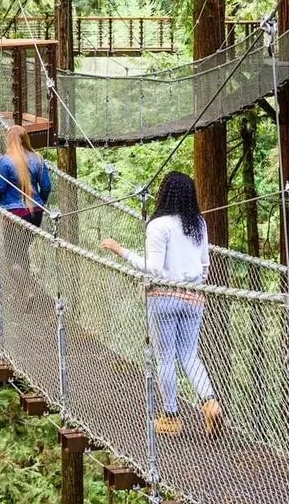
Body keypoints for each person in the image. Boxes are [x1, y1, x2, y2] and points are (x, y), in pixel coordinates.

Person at [100, 170, 223, 438]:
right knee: (189, 355)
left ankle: (171, 417)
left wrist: (122, 252)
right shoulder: (199, 224)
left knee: (166, 358)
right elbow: (204, 266)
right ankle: (210, 402)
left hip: (164, 297)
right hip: (193, 297)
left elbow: (154, 270)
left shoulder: (159, 226)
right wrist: (192, 285)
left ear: (164, 194)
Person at [0, 124, 52, 225]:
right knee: (27, 241)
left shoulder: (4, 161)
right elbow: (46, 186)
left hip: (14, 213)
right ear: (26, 139)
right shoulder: (38, 159)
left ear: (9, 141)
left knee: (12, 241)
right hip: (36, 213)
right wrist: (39, 202)